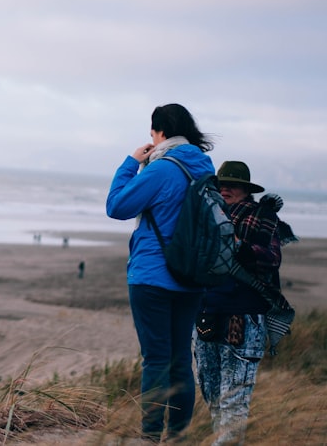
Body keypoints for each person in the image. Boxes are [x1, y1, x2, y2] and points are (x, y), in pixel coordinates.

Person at [106, 103, 216, 442]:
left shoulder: (161, 168)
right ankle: (179, 435)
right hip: (192, 277)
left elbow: (117, 207)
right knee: (181, 358)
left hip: (153, 274)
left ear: (161, 132)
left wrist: (132, 162)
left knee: (156, 359)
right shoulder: (205, 169)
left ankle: (151, 435)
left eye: (151, 133)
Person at [194, 161, 298, 445]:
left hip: (244, 316)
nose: (225, 189)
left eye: (233, 185)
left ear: (246, 190)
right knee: (212, 395)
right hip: (206, 314)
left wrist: (238, 245)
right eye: (221, 184)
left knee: (234, 401)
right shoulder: (206, 216)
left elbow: (271, 257)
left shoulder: (262, 217)